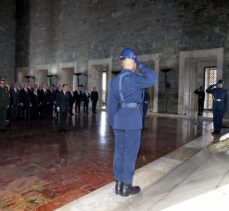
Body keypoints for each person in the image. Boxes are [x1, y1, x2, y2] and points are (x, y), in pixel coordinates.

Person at [108, 48, 158, 197]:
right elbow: (153, 78)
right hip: (132, 120)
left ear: (122, 61)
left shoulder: (115, 80)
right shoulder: (135, 78)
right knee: (130, 153)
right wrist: (142, 66)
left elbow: (111, 104)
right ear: (132, 61)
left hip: (119, 120)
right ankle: (126, 186)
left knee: (119, 152)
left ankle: (118, 184)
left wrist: (113, 122)